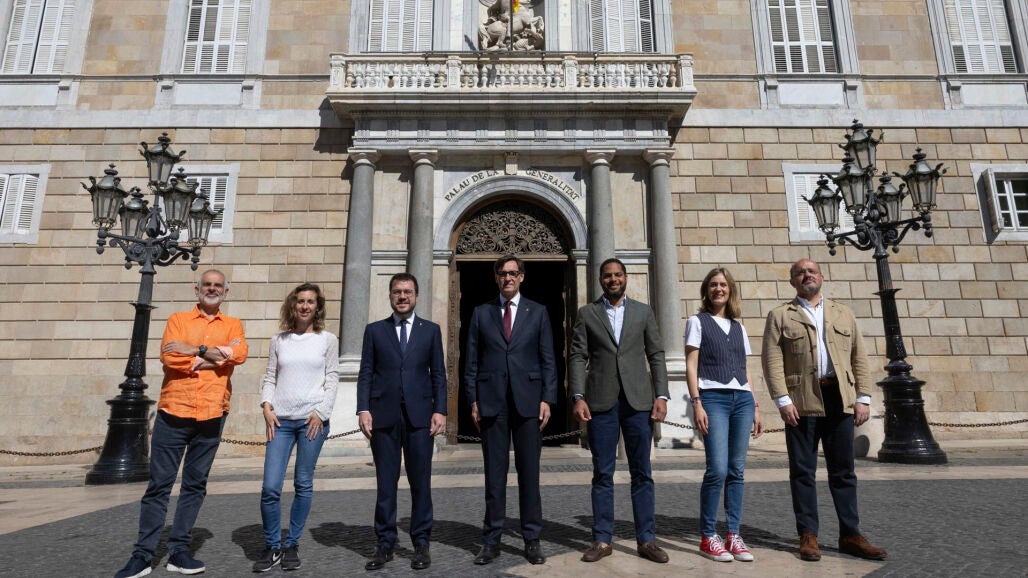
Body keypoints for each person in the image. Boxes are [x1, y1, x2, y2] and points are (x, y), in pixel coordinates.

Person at [115, 270, 248, 578]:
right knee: (159, 485)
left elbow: (240, 355)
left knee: (195, 485)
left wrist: (196, 350)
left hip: (212, 413)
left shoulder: (233, 324)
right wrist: (217, 358)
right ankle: (143, 555)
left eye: (217, 285)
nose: (212, 289)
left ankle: (179, 551)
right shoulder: (178, 319)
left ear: (226, 292)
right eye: (207, 285)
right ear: (196, 289)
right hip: (174, 411)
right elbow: (170, 357)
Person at [761, 258, 887, 562]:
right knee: (802, 471)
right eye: (800, 273)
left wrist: (863, 397)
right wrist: (782, 400)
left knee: (844, 471)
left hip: (839, 399)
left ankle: (850, 534)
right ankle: (808, 534)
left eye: (811, 271)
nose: (807, 275)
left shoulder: (843, 313)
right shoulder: (780, 315)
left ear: (821, 277)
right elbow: (772, 360)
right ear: (792, 281)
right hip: (801, 402)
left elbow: (859, 356)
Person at [568, 258, 670, 564]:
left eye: (618, 275)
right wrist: (578, 396)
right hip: (600, 402)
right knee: (602, 473)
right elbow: (577, 355)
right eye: (608, 276)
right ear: (601, 280)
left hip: (638, 402)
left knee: (642, 473)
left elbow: (656, 354)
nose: (613, 279)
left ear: (626, 278)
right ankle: (602, 540)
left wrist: (661, 395)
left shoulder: (643, 311)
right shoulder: (587, 313)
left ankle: (647, 540)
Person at [464, 255, 557, 566]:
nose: (508, 278)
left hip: (529, 403)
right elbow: (471, 361)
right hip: (492, 403)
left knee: (529, 476)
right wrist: (473, 400)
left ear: (522, 276)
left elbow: (548, 359)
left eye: (513, 273)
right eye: (503, 273)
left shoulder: (538, 312)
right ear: (496, 277)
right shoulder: (481, 313)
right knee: (494, 478)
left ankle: (532, 539)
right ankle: (491, 541)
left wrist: (547, 399)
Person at [357, 273, 447, 571]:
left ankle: (421, 543)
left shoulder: (430, 331)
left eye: (408, 292)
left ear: (417, 296)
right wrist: (363, 409)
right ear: (390, 296)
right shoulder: (375, 330)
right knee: (386, 483)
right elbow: (366, 372)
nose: (402, 297)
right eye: (397, 292)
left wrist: (440, 410)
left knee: (421, 482)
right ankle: (385, 543)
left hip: (420, 418)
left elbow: (439, 374)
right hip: (383, 417)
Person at [253, 283, 339, 572]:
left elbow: (332, 378)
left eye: (310, 301)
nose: (304, 306)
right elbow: (270, 377)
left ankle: (291, 544)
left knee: (303, 483)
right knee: (270, 487)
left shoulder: (327, 340)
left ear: (318, 307)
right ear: (293, 305)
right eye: (300, 301)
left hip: (311, 422)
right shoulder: (279, 340)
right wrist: (266, 406)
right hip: (280, 421)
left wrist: (321, 413)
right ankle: (272, 545)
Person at [684, 267, 763, 563]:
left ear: (731, 290)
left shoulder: (738, 327)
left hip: (742, 399)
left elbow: (745, 368)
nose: (719, 289)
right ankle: (708, 536)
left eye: (724, 284)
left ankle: (733, 534)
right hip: (712, 397)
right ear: (707, 290)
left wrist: (755, 406)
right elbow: (691, 365)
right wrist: (696, 403)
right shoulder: (697, 322)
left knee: (736, 470)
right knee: (717, 469)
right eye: (714, 285)